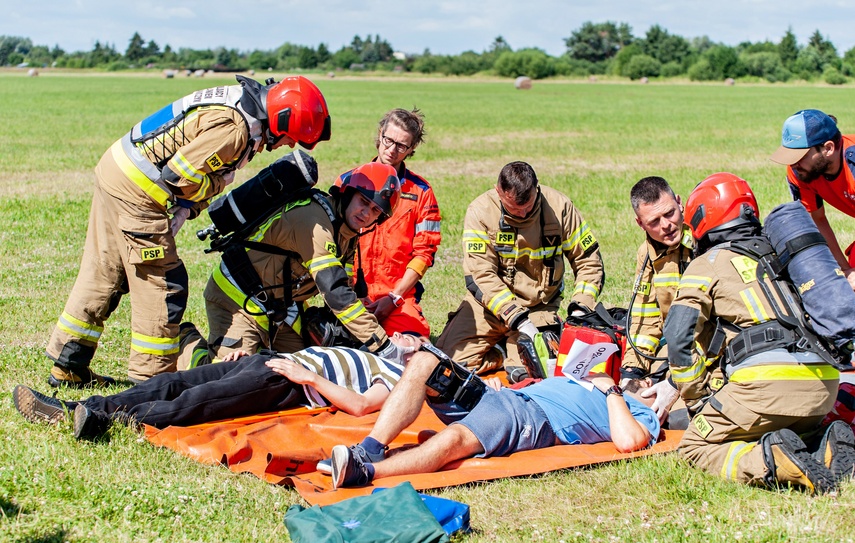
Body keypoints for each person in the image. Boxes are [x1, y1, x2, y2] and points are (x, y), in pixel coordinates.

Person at [45, 75, 331, 387]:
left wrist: (186, 207)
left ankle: (68, 364)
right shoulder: (235, 128)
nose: (289, 145)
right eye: (290, 137)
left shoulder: (239, 107)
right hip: (140, 192)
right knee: (164, 284)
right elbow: (179, 175)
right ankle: (150, 383)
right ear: (280, 119)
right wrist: (218, 184)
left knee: (104, 272)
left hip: (118, 171)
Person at [663, 172, 855, 494]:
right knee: (781, 425)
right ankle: (823, 441)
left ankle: (771, 460)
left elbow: (679, 333)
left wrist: (694, 395)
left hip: (765, 387)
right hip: (823, 387)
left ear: (701, 218)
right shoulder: (782, 257)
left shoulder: (706, 263)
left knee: (695, 446)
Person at [326, 348, 659, 489]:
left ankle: (365, 471)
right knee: (426, 363)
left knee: (458, 437)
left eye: (647, 381)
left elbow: (629, 441)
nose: (641, 379)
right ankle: (371, 447)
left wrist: (612, 389)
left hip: (531, 417)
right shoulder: (588, 383)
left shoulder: (638, 411)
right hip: (504, 396)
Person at [181, 162, 407, 368]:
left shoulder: (348, 233)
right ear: (347, 194)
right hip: (237, 299)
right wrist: (382, 345)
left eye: (376, 210)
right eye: (363, 202)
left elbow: (345, 286)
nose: (366, 213)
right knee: (229, 373)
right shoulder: (315, 221)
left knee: (307, 366)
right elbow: (335, 292)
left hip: (279, 306)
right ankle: (187, 345)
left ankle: (258, 348)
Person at [13, 333, 425, 441]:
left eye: (417, 341)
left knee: (195, 402)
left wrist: (309, 379)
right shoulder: (373, 353)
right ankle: (75, 407)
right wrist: (255, 356)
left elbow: (359, 406)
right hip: (264, 363)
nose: (407, 339)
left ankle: (103, 421)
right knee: (171, 381)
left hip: (286, 383)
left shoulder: (395, 379)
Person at [434, 161, 605, 375]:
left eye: (529, 206)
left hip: (538, 307)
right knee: (447, 366)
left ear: (537, 187)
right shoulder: (480, 211)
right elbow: (480, 275)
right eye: (515, 208)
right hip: (490, 307)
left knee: (529, 371)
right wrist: (516, 318)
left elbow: (588, 260)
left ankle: (517, 354)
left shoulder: (559, 207)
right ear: (498, 191)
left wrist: (581, 307)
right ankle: (501, 352)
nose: (523, 214)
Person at [337, 108, 441, 338]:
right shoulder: (348, 182)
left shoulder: (421, 192)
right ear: (380, 133)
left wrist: (394, 298)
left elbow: (425, 254)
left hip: (397, 298)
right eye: (388, 140)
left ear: (412, 149)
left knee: (413, 352)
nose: (392, 150)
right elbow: (331, 245)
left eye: (401, 146)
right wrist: (349, 293)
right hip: (349, 296)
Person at [622, 176, 694, 423]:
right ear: (640, 223)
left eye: (670, 213)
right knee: (636, 403)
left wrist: (675, 382)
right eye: (654, 221)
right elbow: (645, 318)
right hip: (676, 349)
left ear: (680, 202)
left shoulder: (704, 238)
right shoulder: (646, 255)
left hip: (711, 349)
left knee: (681, 417)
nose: (667, 225)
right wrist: (631, 371)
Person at [770, 109, 855, 290]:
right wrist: (846, 270)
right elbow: (818, 219)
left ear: (828, 148)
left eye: (800, 156)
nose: (793, 164)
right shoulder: (802, 172)